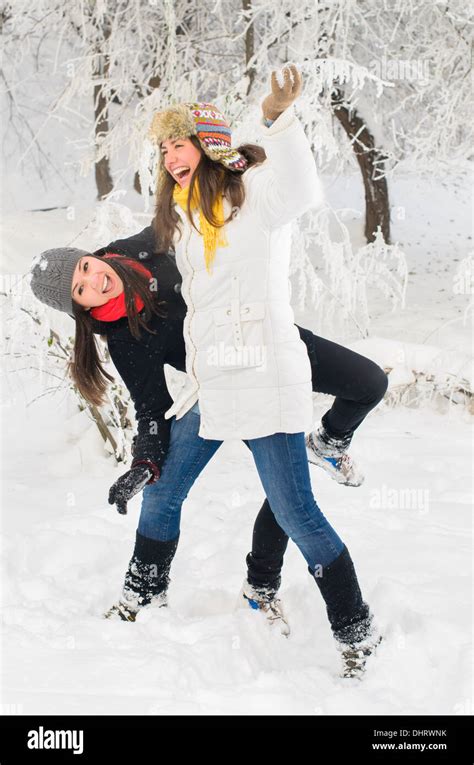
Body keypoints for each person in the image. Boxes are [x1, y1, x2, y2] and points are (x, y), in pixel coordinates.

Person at [134, 62, 384, 676]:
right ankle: (140, 595)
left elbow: (302, 189)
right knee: (163, 491)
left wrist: (275, 119)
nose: (170, 157)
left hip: (266, 380)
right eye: (163, 149)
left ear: (207, 145)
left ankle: (356, 634)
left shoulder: (254, 198)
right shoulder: (185, 220)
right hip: (211, 385)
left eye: (179, 143)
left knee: (297, 512)